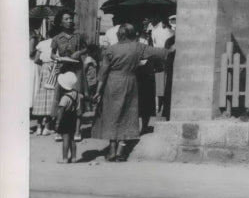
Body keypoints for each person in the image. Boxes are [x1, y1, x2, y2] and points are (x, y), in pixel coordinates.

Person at [91, 23, 172, 161]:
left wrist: (98, 91)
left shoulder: (110, 50)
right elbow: (160, 53)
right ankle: (121, 151)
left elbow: (102, 73)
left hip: (112, 84)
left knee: (112, 116)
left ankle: (111, 150)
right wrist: (172, 49)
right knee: (127, 115)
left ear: (121, 35)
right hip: (130, 82)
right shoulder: (138, 47)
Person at [50, 12, 88, 141]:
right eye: (66, 19)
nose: (70, 20)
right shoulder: (57, 38)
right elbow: (52, 54)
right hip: (63, 71)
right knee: (62, 99)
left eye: (71, 18)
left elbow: (86, 48)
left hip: (77, 70)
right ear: (61, 22)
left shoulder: (78, 36)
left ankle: (77, 130)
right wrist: (58, 58)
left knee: (78, 98)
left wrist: (79, 52)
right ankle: (60, 130)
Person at [53, 71, 82, 164]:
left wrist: (57, 123)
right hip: (73, 118)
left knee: (65, 139)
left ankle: (64, 158)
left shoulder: (64, 98)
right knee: (72, 139)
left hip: (65, 119)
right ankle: (74, 158)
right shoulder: (77, 94)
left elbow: (61, 112)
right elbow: (78, 109)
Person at [31, 30, 56, 135]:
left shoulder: (41, 44)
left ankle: (39, 128)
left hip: (44, 68)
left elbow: (36, 60)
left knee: (41, 97)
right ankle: (47, 127)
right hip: (53, 68)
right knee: (50, 97)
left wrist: (43, 62)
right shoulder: (56, 43)